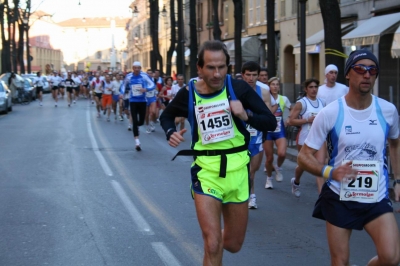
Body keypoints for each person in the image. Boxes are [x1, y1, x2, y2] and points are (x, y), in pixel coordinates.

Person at [160, 40, 276, 265]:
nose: (216, 73)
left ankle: (213, 249)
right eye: (211, 67)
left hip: (238, 171)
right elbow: (166, 115)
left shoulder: (238, 88)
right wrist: (170, 131)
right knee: (212, 243)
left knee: (232, 244)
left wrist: (246, 116)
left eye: (221, 67)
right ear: (199, 68)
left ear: (228, 67)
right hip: (206, 171)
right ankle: (211, 248)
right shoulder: (190, 92)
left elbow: (270, 122)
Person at [298, 50, 400, 265]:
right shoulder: (331, 113)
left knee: (391, 258)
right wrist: (331, 172)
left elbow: (395, 142)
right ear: (348, 74)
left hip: (376, 196)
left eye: (372, 70)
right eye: (360, 69)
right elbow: (304, 156)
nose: (366, 75)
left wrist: (398, 180)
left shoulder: (388, 110)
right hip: (339, 197)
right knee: (341, 261)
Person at [287, 78, 325, 197]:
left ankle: (322, 198)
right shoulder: (301, 103)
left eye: (316, 87)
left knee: (320, 165)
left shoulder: (322, 102)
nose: (314, 90)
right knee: (303, 165)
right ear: (306, 89)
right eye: (311, 87)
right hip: (305, 137)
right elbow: (290, 121)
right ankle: (296, 181)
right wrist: (307, 120)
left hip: (319, 138)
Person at [241, 61, 270, 209]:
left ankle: (248, 194)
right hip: (239, 137)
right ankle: (250, 196)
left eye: (254, 75)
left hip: (257, 137)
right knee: (243, 170)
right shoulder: (235, 90)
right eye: (248, 75)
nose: (251, 78)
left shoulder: (264, 92)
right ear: (243, 75)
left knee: (252, 170)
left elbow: (268, 116)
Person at [264, 77, 291, 189]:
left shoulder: (283, 99)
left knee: (282, 154)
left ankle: (278, 168)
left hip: (280, 130)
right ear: (269, 86)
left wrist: (289, 118)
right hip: (268, 131)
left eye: (277, 85)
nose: (275, 86)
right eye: (273, 84)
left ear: (279, 87)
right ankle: (269, 179)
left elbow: (293, 108)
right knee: (269, 158)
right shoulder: (265, 98)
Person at [121, 61, 155, 151]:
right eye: (135, 68)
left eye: (138, 68)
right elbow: (123, 86)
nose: (136, 69)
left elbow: (152, 84)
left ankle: (138, 126)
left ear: (140, 68)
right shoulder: (128, 76)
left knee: (141, 121)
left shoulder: (144, 76)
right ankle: (137, 142)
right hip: (133, 100)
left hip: (143, 101)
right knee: (135, 121)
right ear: (132, 68)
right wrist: (121, 93)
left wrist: (146, 89)